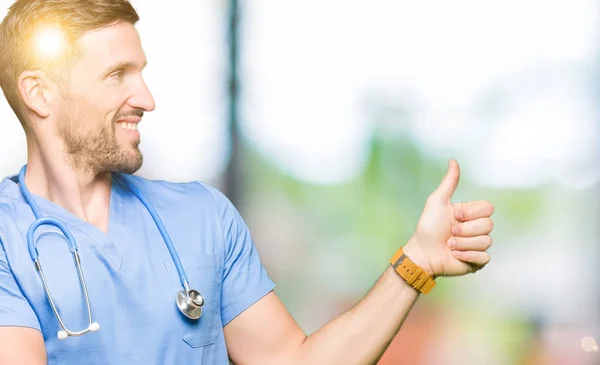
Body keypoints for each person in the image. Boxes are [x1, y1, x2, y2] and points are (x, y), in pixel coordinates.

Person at [0, 0, 495, 364]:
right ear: (39, 94)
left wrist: (416, 263)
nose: (146, 98)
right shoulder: (6, 237)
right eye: (117, 75)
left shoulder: (201, 218)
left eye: (142, 72)